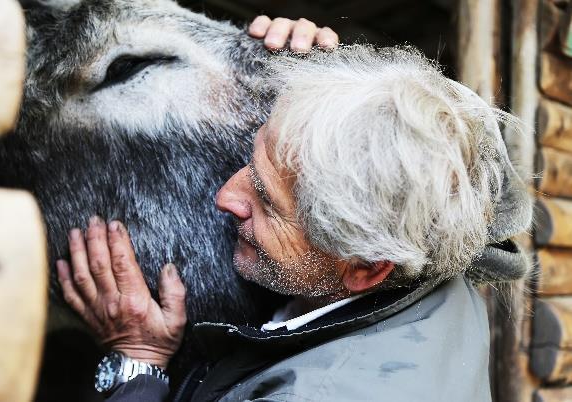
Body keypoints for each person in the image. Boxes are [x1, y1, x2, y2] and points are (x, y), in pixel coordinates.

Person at [56, 45, 532, 401]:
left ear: (365, 268)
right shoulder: (436, 234)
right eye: (252, 157)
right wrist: (326, 65)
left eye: (266, 202)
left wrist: (137, 363)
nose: (226, 196)